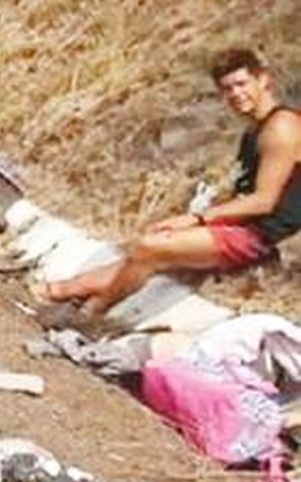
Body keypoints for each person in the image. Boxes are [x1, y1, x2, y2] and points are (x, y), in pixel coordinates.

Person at [41, 48, 301, 314]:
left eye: (241, 84)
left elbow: (264, 201)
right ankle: (61, 290)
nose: (235, 94)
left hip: (256, 237)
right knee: (152, 242)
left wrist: (197, 218)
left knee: (150, 248)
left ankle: (93, 312)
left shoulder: (281, 128)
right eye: (227, 88)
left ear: (263, 80)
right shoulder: (255, 129)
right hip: (243, 226)